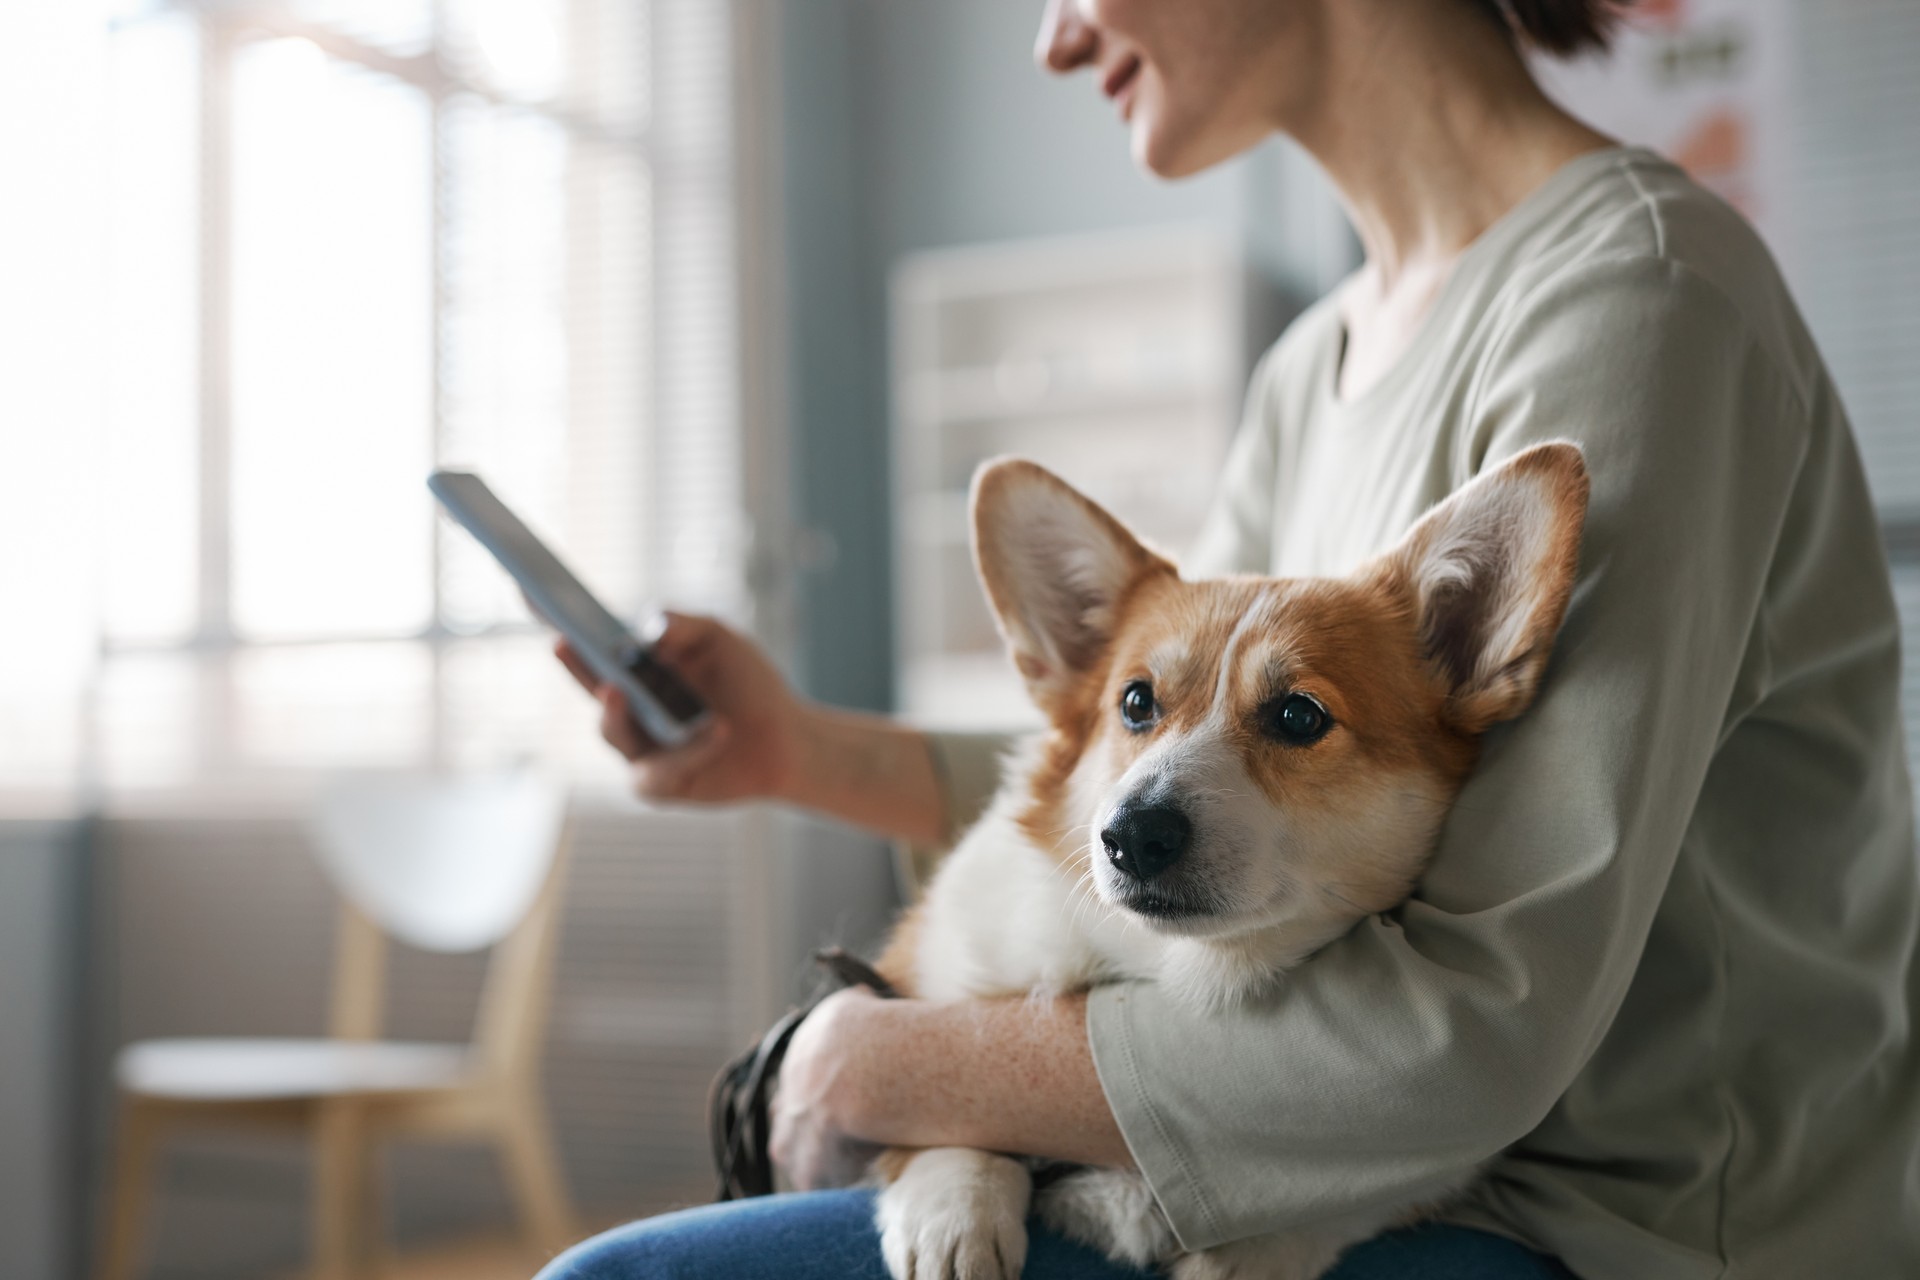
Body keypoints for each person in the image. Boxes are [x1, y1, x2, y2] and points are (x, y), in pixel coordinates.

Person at [539, 0, 1920, 1276]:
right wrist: (792, 747)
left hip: (1598, 1227)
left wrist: (883, 1064)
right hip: (1315, 1170)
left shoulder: (1641, 302)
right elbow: (1144, 784)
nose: (1054, 39)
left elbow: (1473, 1034)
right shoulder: (1312, 367)